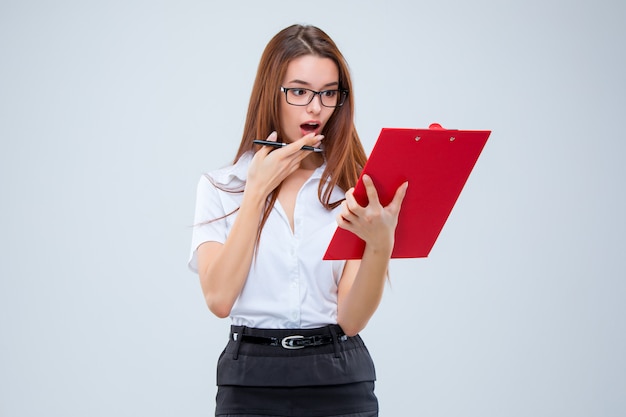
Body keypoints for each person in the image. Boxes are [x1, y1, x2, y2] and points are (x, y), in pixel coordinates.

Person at [188, 24, 408, 417]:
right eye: (300, 91)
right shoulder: (221, 187)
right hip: (250, 380)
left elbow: (352, 319)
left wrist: (379, 245)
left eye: (329, 93)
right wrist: (255, 191)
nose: (316, 107)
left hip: (340, 379)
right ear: (271, 94)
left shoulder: (354, 189)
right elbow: (219, 299)